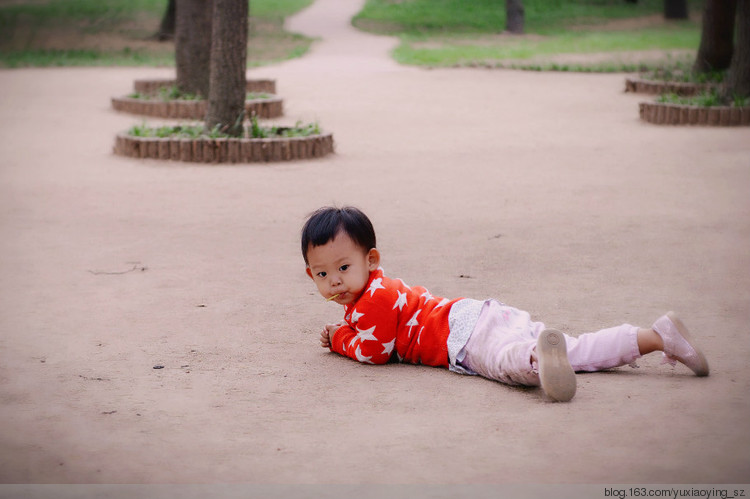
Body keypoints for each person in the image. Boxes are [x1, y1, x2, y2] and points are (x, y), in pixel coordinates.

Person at [301, 206, 709, 402]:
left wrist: (340, 338)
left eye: (343, 267)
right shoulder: (378, 291)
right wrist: (347, 328)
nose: (334, 280)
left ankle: (535, 357)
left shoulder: (373, 299)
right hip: (479, 313)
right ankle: (655, 336)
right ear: (310, 276)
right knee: (576, 347)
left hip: (460, 337)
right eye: (322, 274)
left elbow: (374, 352)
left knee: (503, 362)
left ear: (371, 260)